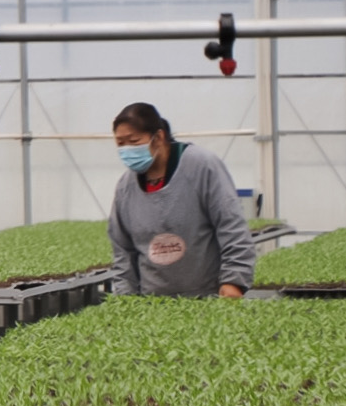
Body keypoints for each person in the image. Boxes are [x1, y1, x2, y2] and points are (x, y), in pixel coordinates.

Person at [107, 101, 255, 298]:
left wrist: (234, 281)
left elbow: (231, 226)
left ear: (159, 137)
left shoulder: (201, 166)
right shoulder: (126, 187)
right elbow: (123, 250)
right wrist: (126, 298)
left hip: (207, 296)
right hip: (151, 303)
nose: (127, 150)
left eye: (134, 141)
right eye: (120, 144)